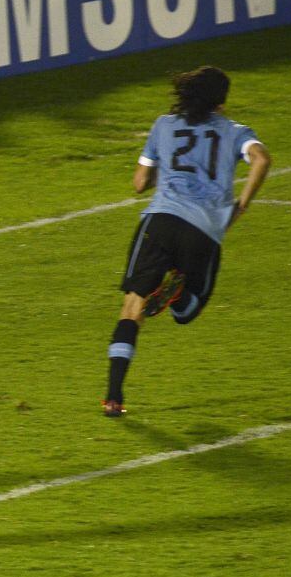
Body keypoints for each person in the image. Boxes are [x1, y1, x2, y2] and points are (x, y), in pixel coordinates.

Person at [103, 66, 271, 418]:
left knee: (132, 306)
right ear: (221, 102)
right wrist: (242, 204)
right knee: (187, 312)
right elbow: (261, 159)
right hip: (203, 229)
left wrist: (162, 173)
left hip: (159, 220)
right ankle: (177, 294)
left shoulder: (163, 125)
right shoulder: (235, 132)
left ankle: (114, 396)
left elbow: (138, 183)